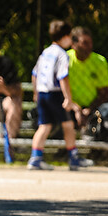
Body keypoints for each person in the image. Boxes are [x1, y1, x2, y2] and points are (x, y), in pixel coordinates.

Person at [28, 20, 93, 171]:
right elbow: (63, 77)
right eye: (70, 37)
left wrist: (36, 92)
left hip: (43, 93)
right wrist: (68, 98)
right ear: (64, 37)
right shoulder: (62, 54)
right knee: (68, 125)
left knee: (44, 126)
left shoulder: (46, 52)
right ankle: (73, 158)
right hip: (55, 94)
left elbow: (34, 73)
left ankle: (35, 158)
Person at [67, 27, 108, 130]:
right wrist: (75, 108)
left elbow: (104, 94)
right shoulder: (64, 59)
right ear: (73, 45)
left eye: (90, 43)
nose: (89, 46)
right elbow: (59, 92)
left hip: (93, 109)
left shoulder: (100, 62)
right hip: (70, 108)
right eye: (85, 43)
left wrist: (88, 110)